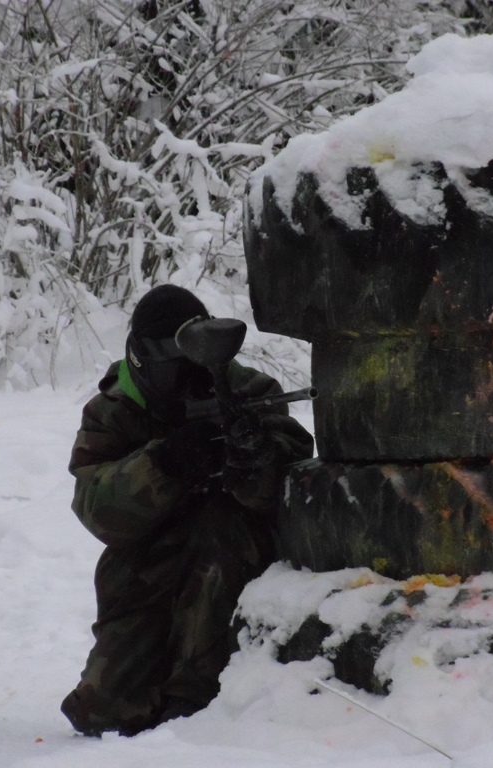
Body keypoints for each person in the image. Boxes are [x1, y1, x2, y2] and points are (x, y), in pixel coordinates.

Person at [60, 284, 314, 737]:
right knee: (104, 709)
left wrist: (253, 456)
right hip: (149, 564)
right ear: (142, 358)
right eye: (170, 364)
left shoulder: (246, 389)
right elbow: (98, 509)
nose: (181, 377)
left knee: (220, 536)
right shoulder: (111, 413)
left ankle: (195, 696)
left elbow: (287, 479)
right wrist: (164, 463)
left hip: (232, 555)